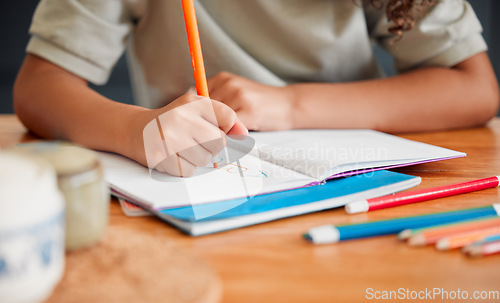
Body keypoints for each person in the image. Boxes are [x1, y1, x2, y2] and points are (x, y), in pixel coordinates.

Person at [14, 0, 499, 177]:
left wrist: (291, 105)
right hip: (192, 188)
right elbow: (39, 86)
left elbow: (475, 87)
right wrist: (136, 130)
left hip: (357, 186)